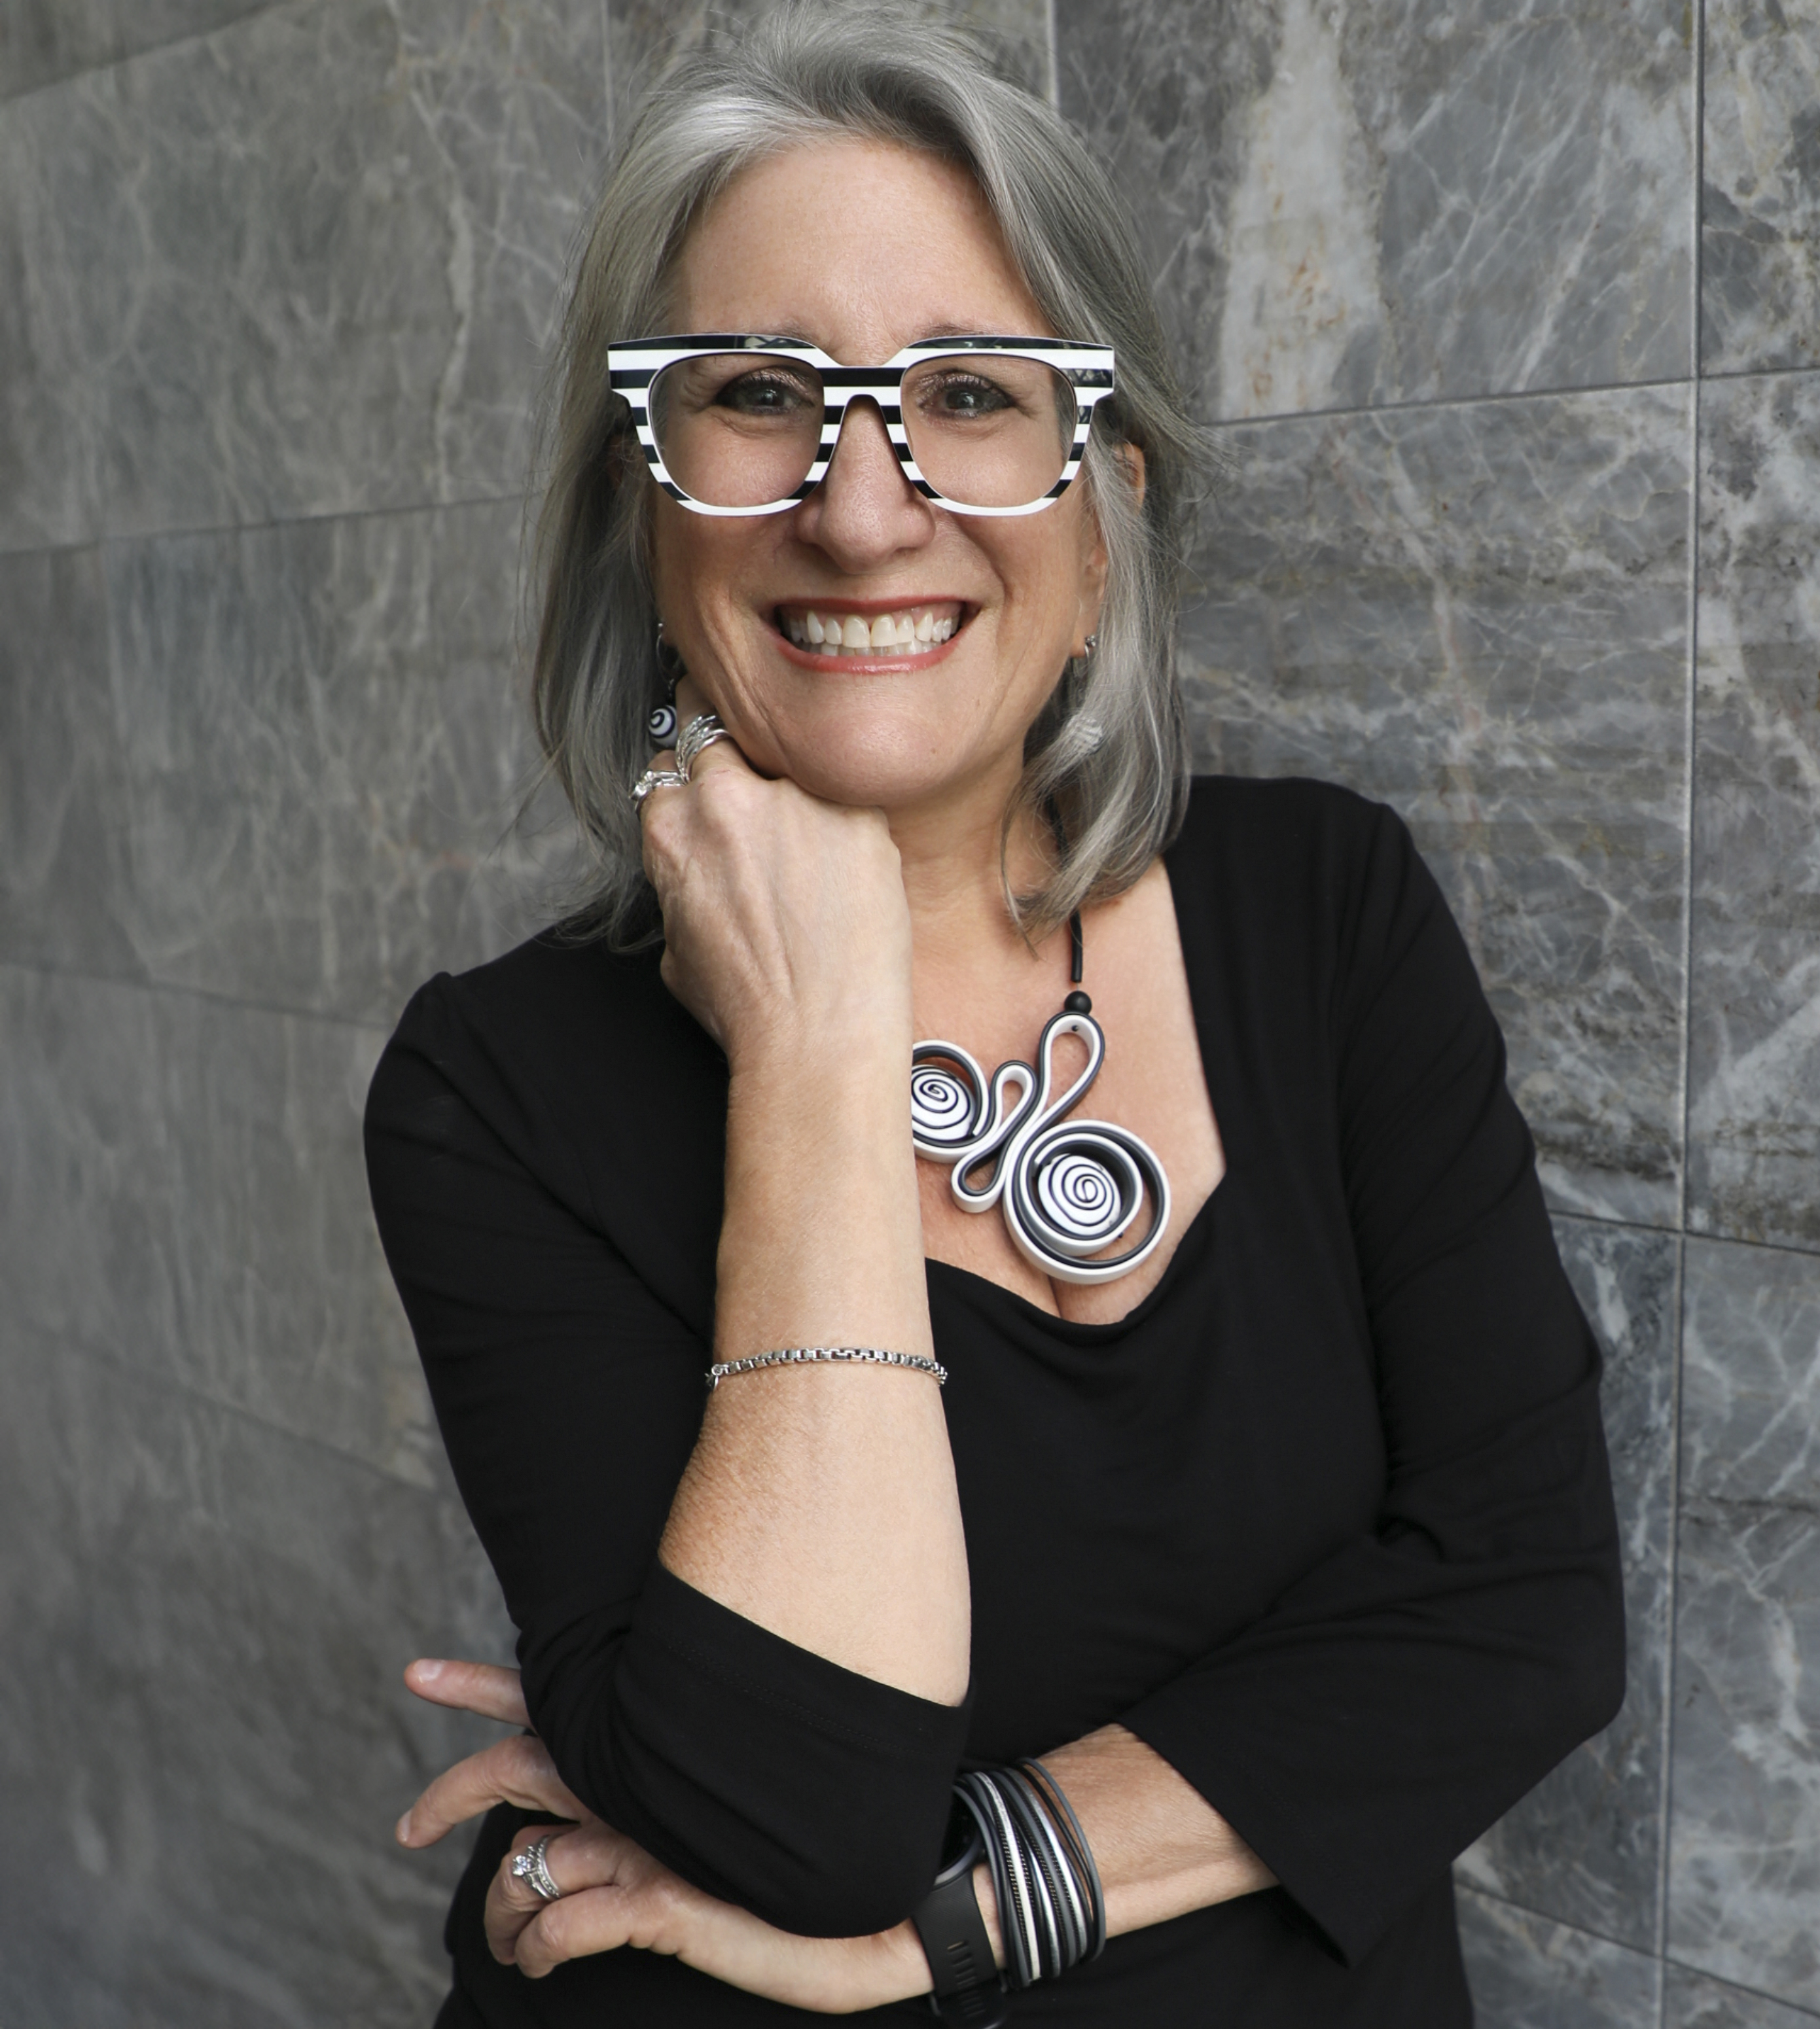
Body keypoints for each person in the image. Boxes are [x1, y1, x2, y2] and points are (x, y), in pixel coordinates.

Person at [363, 8, 1625, 2024]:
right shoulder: (496, 1088)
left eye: (966, 392)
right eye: (761, 393)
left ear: (1104, 501)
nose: (865, 509)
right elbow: (796, 1806)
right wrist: (817, 1050)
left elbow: (1529, 1612)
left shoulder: (1327, 912)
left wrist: (937, 1917)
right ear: (640, 503)